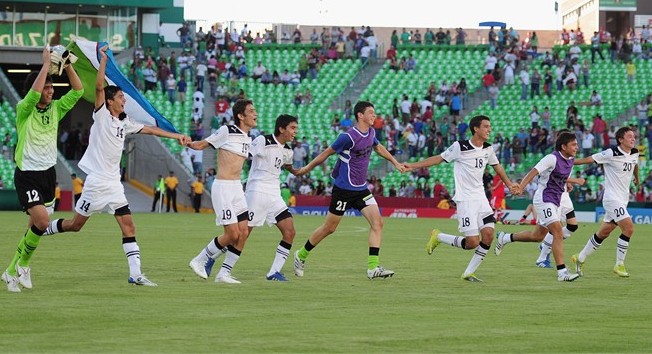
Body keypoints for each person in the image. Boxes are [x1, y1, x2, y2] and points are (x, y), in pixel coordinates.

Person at [41, 45, 190, 287]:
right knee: (76, 225)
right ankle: (46, 228)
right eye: (120, 97)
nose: (124, 99)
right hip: (96, 182)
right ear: (110, 101)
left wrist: (178, 136)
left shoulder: (125, 122)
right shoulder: (101, 115)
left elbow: (151, 130)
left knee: (129, 225)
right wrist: (102, 62)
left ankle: (136, 274)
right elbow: (99, 87)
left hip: (113, 184)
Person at [2, 46, 84, 293]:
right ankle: (24, 266)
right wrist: (46, 65)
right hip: (27, 174)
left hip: (49, 174)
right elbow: (33, 93)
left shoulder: (57, 108)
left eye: (52, 88)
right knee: (42, 220)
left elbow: (79, 91)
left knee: (34, 228)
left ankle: (10, 270)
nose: (50, 91)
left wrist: (67, 65)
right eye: (47, 88)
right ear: (35, 91)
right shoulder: (23, 110)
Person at [293, 101, 405, 279]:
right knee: (329, 228)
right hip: (343, 189)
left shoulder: (371, 132)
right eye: (370, 113)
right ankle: (301, 255)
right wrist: (306, 168)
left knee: (378, 223)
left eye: (374, 112)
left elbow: (378, 147)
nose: (374, 116)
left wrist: (395, 162)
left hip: (361, 189)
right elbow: (326, 153)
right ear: (360, 115)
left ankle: (373, 268)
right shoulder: (348, 137)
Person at [405, 115, 516, 282]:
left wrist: (509, 184)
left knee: (488, 235)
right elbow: (438, 159)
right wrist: (412, 166)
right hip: (466, 200)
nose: (489, 130)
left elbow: (498, 168)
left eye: (489, 126)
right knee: (472, 242)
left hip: (481, 199)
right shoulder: (460, 147)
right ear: (475, 129)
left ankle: (468, 273)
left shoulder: (488, 148)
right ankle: (439, 237)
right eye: (485, 126)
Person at [192, 114, 301, 281]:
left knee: (290, 231)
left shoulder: (288, 151)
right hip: (257, 192)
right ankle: (214, 262)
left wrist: (301, 171)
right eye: (292, 128)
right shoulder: (263, 141)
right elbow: (244, 153)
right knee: (241, 235)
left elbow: (287, 165)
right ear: (281, 128)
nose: (295, 132)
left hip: (274, 195)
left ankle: (273, 272)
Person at [186, 99, 257, 284]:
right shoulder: (227, 131)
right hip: (223, 187)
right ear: (240, 116)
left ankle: (223, 274)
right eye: (251, 111)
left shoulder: (249, 138)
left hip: (237, 189)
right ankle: (199, 259)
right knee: (232, 235)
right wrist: (188, 142)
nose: (255, 114)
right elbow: (202, 144)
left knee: (244, 233)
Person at [494, 132, 581, 282]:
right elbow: (533, 172)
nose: (577, 147)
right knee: (558, 232)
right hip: (544, 199)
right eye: (573, 144)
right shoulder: (551, 158)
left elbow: (560, 176)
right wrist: (521, 187)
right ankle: (562, 272)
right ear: (563, 146)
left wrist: (568, 183)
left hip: (557, 200)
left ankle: (506, 237)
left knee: (537, 236)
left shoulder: (570, 160)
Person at [571, 127, 639, 277]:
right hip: (612, 199)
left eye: (633, 136)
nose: (633, 139)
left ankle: (580, 257)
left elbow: (635, 164)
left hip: (623, 199)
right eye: (629, 136)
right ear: (621, 140)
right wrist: (566, 161)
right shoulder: (611, 153)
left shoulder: (634, 153)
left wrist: (636, 177)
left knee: (604, 232)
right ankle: (619, 264)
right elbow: (588, 160)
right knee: (628, 229)